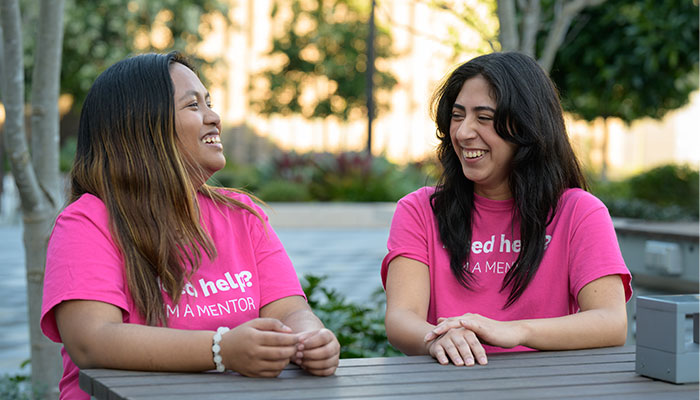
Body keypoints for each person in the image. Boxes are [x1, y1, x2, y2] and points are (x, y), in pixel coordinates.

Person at [41, 52, 340, 399]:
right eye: (193, 106)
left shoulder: (242, 214)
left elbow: (288, 309)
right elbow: (92, 339)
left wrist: (309, 339)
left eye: (209, 103)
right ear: (143, 126)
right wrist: (220, 350)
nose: (214, 117)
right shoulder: (87, 222)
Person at [382, 52, 632, 367]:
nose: (463, 132)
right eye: (458, 115)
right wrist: (437, 338)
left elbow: (611, 322)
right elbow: (401, 318)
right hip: (448, 384)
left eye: (484, 118)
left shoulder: (579, 211)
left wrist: (515, 332)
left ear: (527, 127)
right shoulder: (419, 209)